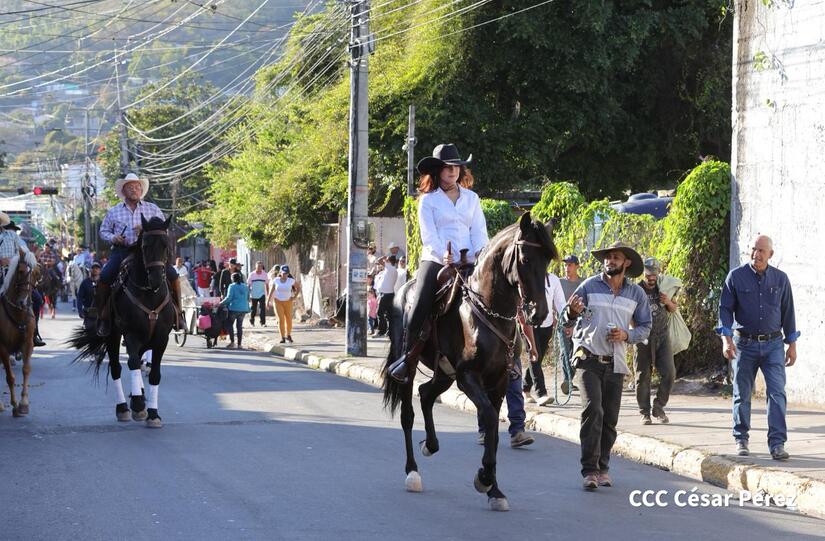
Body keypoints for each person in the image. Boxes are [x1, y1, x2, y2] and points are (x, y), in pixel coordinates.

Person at [388, 143, 488, 383]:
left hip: (470, 261)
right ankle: (407, 357)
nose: (452, 172)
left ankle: (506, 358)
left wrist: (477, 256)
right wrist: (444, 255)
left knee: (494, 298)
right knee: (419, 305)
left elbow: (479, 233)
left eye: (456, 167)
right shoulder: (428, 201)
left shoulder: (472, 199)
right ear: (437, 171)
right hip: (435, 260)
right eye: (447, 168)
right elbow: (429, 236)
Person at [562, 241, 651, 490]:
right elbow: (567, 316)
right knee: (593, 410)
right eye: (607, 257)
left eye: (615, 257)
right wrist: (571, 312)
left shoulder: (636, 294)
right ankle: (589, 470)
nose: (610, 261)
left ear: (626, 263)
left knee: (610, 417)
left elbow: (645, 327)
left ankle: (603, 467)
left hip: (616, 363)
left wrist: (626, 335)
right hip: (588, 358)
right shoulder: (589, 286)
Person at [717, 234, 798, 461]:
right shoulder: (736, 277)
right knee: (742, 393)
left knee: (777, 393)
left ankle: (777, 444)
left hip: (773, 345)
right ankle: (741, 438)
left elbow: (788, 313)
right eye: (753, 249)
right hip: (744, 344)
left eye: (762, 251)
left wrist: (792, 345)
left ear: (770, 254)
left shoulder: (781, 279)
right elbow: (724, 310)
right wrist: (726, 339)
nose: (756, 254)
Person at [95, 172, 184, 336]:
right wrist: (113, 237)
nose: (134, 190)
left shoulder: (153, 209)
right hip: (124, 251)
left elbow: (163, 230)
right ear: (124, 190)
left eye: (137, 187)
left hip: (150, 253)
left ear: (141, 190)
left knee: (173, 274)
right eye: (130, 187)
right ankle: (103, 317)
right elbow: (103, 231)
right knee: (105, 276)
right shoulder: (114, 211)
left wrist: (146, 231)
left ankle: (179, 313)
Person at [635, 257, 679, 425]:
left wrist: (667, 301)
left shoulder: (663, 287)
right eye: (648, 274)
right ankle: (644, 412)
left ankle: (659, 407)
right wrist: (635, 330)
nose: (651, 277)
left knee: (669, 372)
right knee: (643, 376)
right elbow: (629, 313)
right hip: (643, 337)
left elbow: (673, 309)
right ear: (644, 273)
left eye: (654, 274)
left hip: (662, 336)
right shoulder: (636, 290)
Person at [523, 270, 566, 406]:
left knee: (539, 358)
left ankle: (525, 388)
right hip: (529, 323)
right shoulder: (527, 277)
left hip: (547, 324)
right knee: (534, 356)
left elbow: (560, 303)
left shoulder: (553, 280)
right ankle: (541, 393)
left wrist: (568, 322)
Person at [558, 254, 583, 395]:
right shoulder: (560, 283)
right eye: (565, 265)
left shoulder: (583, 283)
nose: (567, 268)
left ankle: (570, 379)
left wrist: (575, 325)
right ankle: (567, 380)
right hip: (563, 322)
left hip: (580, 325)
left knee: (577, 352)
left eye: (570, 265)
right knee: (564, 352)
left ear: (577, 266)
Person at [268, 265, 299, 344]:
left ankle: (288, 335)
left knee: (288, 319)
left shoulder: (291, 281)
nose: (285, 275)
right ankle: (282, 337)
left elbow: (298, 287)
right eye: (284, 273)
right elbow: (271, 290)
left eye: (287, 273)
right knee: (281, 319)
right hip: (278, 301)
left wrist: (294, 297)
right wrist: (267, 301)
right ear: (280, 273)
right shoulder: (276, 280)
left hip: (288, 301)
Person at [219, 272, 250, 349]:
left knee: (229, 324)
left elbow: (229, 298)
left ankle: (232, 342)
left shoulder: (232, 286)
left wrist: (220, 303)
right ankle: (239, 344)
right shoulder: (245, 286)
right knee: (239, 326)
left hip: (234, 308)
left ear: (233, 279)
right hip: (243, 309)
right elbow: (248, 298)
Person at [374, 255, 397, 336]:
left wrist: (384, 257)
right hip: (389, 294)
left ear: (389, 261)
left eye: (387, 260)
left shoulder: (390, 268)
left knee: (379, 313)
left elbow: (379, 260)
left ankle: (381, 330)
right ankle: (390, 331)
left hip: (385, 295)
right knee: (389, 315)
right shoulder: (392, 269)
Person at [77, 262, 101, 331]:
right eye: (93, 268)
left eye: (97, 268)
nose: (95, 270)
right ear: (90, 270)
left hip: (102, 314)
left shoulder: (104, 282)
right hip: (89, 313)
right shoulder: (85, 283)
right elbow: (79, 297)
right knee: (89, 333)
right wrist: (80, 310)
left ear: (100, 270)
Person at [247, 261, 269, 327]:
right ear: (255, 267)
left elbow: (267, 285)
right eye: (258, 266)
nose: (260, 268)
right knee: (253, 309)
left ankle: (263, 323)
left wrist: (267, 293)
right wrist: (248, 294)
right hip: (253, 294)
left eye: (261, 266)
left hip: (262, 294)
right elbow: (248, 285)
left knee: (262, 309)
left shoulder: (265, 274)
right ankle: (252, 322)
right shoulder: (252, 274)